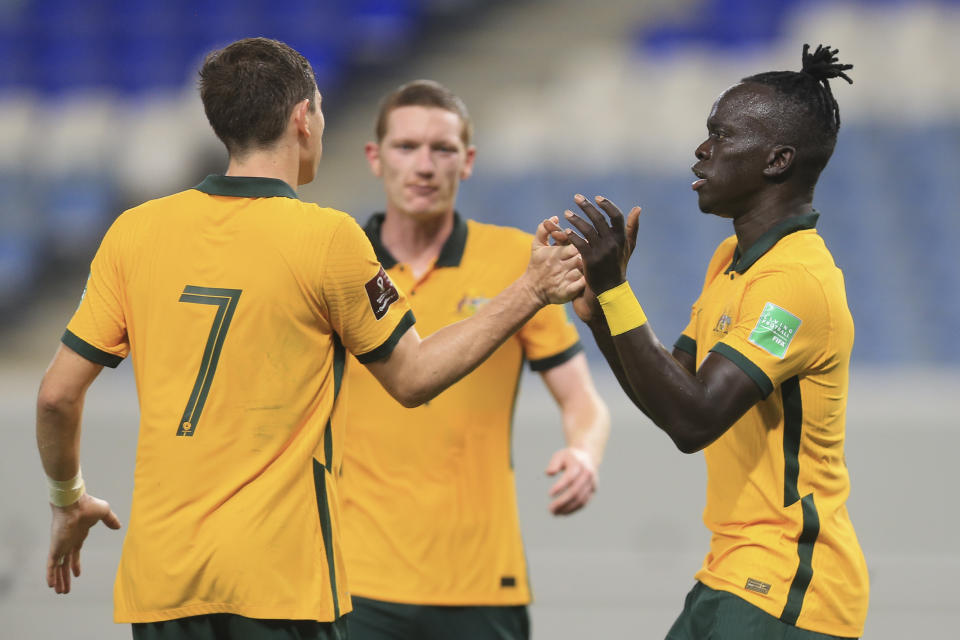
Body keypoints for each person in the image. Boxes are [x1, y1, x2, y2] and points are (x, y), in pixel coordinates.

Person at [35, 38, 584, 640]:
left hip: (162, 586)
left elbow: (57, 397)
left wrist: (69, 498)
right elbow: (414, 376)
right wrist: (529, 290)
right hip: (281, 586)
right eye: (320, 110)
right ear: (303, 118)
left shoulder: (134, 231)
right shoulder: (329, 238)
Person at [551, 44, 868, 639]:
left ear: (776, 160)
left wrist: (619, 291)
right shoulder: (733, 258)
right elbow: (674, 389)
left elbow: (694, 421)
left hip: (790, 584)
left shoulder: (796, 284)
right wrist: (600, 314)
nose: (701, 151)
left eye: (720, 137)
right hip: (734, 571)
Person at [336, 80, 610, 640]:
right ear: (374, 157)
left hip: (482, 582)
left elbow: (583, 399)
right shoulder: (337, 262)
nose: (424, 165)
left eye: (443, 150)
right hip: (351, 580)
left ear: (468, 162)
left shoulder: (518, 259)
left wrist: (584, 452)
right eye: (406, 147)